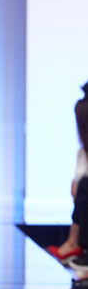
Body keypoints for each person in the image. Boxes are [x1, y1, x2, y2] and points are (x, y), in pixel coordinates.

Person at [48, 82, 88, 264]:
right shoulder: (83, 151)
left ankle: (75, 243)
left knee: (84, 187)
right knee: (82, 186)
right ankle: (74, 243)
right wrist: (76, 182)